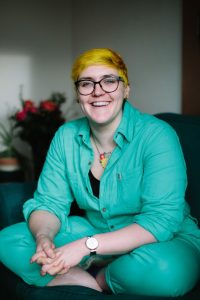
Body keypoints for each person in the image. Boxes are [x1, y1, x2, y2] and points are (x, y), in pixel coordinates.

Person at [0, 48, 200, 297]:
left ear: (126, 89)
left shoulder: (157, 135)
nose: (97, 91)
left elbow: (161, 221)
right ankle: (84, 279)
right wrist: (44, 238)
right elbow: (49, 202)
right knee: (8, 241)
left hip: (162, 240)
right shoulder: (66, 137)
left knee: (166, 271)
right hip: (95, 229)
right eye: (86, 83)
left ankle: (105, 276)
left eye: (109, 81)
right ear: (78, 94)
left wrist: (85, 247)